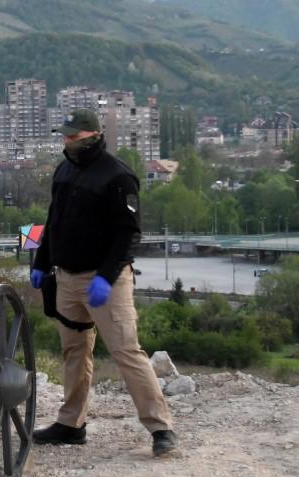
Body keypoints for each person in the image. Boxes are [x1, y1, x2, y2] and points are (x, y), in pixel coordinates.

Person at [30, 109, 178, 457]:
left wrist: (106, 277)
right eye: (64, 136)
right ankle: (71, 424)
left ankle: (161, 428)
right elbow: (54, 219)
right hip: (66, 277)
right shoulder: (64, 169)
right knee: (74, 350)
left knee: (127, 351)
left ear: (92, 136)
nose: (66, 142)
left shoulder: (118, 176)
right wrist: (41, 261)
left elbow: (129, 234)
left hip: (104, 281)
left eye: (72, 137)